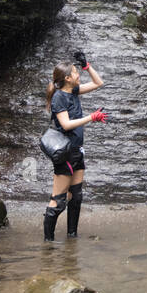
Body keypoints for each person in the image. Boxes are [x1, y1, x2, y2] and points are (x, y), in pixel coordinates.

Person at [42, 50, 106, 241]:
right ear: (68, 78)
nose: (79, 74)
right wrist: (91, 117)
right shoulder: (59, 97)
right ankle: (48, 242)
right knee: (58, 199)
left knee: (76, 196)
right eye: (77, 72)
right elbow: (66, 124)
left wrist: (87, 66)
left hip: (77, 151)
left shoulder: (73, 91)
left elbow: (98, 83)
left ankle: (72, 236)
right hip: (65, 153)